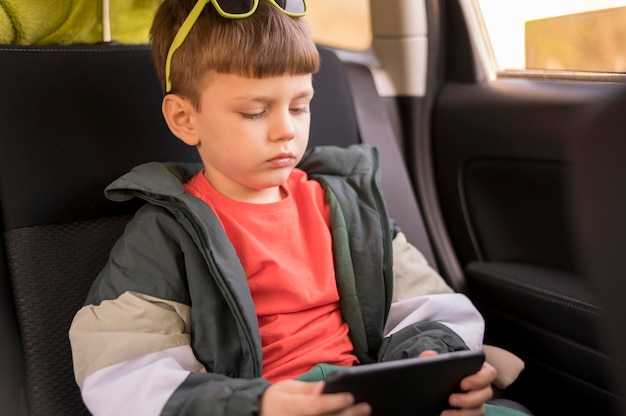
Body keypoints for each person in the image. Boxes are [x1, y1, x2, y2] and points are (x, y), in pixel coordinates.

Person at [68, 0, 516, 415]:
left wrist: (432, 367)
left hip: (371, 393)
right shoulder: (166, 234)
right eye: (254, 112)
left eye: (300, 106)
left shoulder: (349, 209)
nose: (286, 130)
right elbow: (125, 371)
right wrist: (258, 404)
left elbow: (426, 305)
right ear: (185, 119)